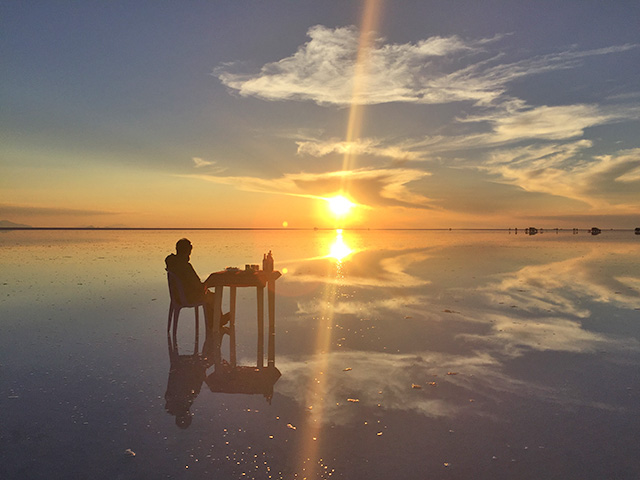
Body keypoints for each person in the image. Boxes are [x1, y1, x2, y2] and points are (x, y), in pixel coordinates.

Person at [165, 238, 228, 332]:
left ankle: (216, 321)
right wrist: (209, 283)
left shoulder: (172, 262)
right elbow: (197, 285)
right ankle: (216, 321)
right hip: (188, 297)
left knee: (209, 294)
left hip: (177, 296)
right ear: (188, 251)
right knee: (214, 296)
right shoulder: (186, 266)